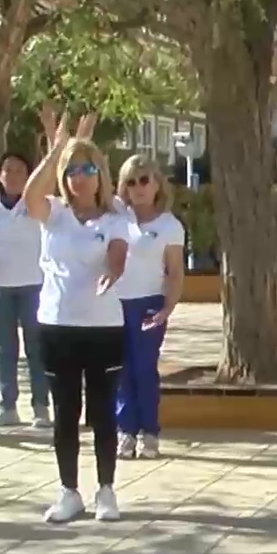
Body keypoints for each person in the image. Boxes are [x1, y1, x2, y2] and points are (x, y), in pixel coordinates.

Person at [22, 106, 130, 524]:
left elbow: (118, 255)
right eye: (72, 170)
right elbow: (31, 197)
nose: (78, 177)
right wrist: (56, 150)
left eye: (87, 169)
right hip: (56, 325)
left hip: (102, 328)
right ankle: (69, 491)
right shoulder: (54, 213)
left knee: (102, 411)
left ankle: (106, 490)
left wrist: (112, 273)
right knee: (65, 412)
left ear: (100, 175)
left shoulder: (114, 216)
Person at [113, 156, 185, 459]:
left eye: (144, 180)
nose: (138, 188)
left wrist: (168, 307)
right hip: (114, 305)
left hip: (149, 305)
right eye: (131, 182)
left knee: (144, 368)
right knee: (121, 370)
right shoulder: (116, 216)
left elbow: (175, 271)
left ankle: (149, 433)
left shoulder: (169, 225)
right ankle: (125, 431)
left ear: (157, 184)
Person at [0, 153, 51, 428]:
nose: (13, 175)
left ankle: (41, 407)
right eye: (8, 170)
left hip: (35, 287)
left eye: (20, 170)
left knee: (36, 349)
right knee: (5, 349)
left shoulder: (37, 203)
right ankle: (7, 407)